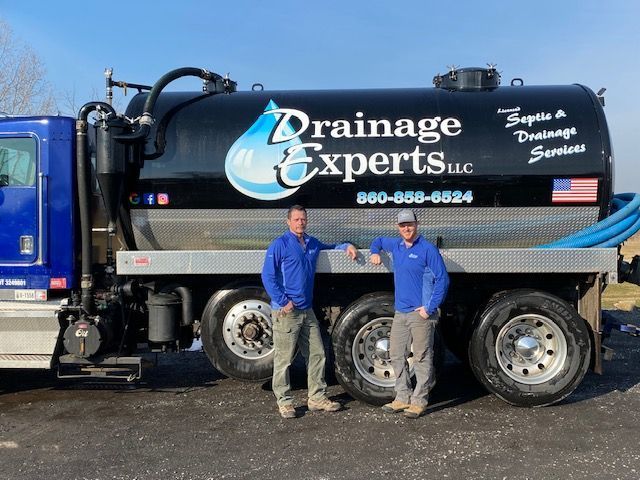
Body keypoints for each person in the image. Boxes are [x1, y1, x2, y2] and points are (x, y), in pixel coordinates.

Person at [262, 205, 358, 419]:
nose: (300, 223)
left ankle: (316, 398)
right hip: (287, 311)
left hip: (307, 310)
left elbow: (331, 246)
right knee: (284, 359)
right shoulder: (280, 244)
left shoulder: (312, 243)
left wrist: (346, 246)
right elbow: (267, 275)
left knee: (317, 354)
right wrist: (283, 301)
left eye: (303, 219)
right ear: (288, 222)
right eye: (296, 219)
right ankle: (285, 402)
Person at [369, 209, 449, 418]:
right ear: (398, 228)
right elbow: (377, 240)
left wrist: (429, 308)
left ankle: (419, 400)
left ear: (417, 225)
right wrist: (374, 252)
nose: (407, 228)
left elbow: (442, 279)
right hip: (400, 313)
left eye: (410, 225)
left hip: (420, 313)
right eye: (403, 225)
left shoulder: (427, 249)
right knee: (396, 354)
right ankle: (402, 397)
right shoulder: (396, 245)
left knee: (422, 356)